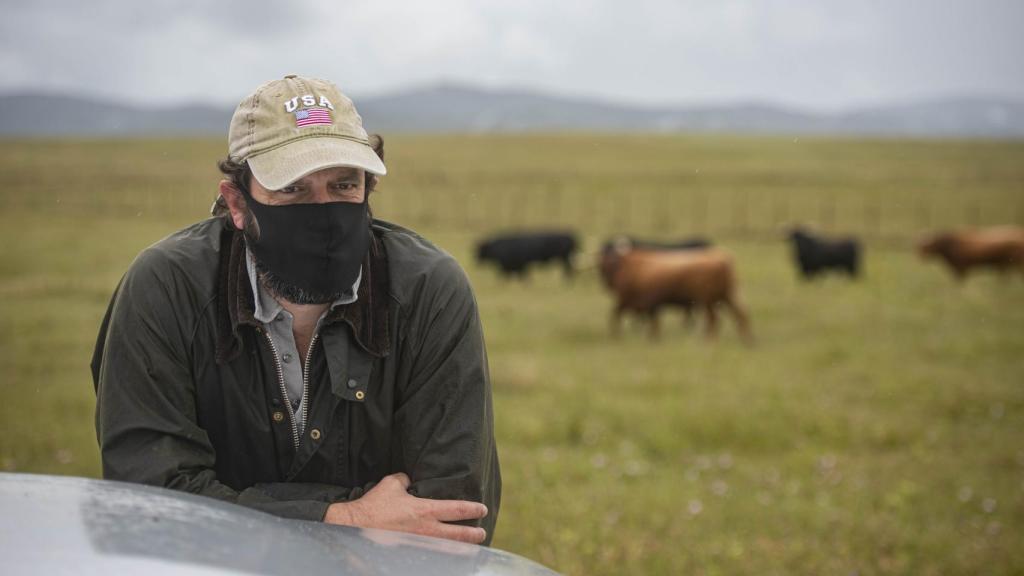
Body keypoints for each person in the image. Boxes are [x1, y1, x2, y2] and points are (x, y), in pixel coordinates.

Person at [91, 75, 500, 545]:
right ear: (237, 202)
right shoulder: (165, 289)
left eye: (344, 184)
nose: (323, 212)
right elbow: (151, 501)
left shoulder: (429, 292)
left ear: (369, 188)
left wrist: (239, 508)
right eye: (292, 189)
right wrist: (345, 518)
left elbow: (452, 517)